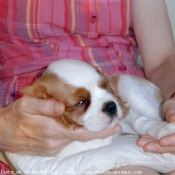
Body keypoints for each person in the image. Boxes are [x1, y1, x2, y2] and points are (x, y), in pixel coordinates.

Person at [0, 0, 175, 174]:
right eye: (82, 101)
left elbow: (162, 61)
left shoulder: (112, 95)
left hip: (129, 99)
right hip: (26, 126)